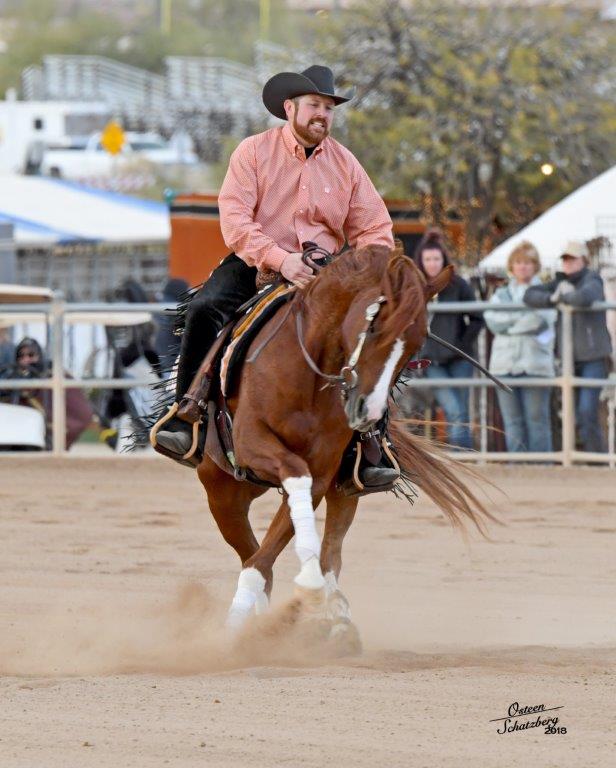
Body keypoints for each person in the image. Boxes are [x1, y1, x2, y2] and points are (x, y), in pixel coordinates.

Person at [154, 65, 398, 490]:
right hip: (257, 263)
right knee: (206, 307)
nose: (323, 114)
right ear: (290, 108)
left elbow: (375, 229)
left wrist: (362, 269)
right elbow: (234, 220)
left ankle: (372, 441)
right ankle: (186, 413)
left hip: (328, 271)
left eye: (328, 107)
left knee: (371, 332)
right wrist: (281, 260)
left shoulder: (347, 165)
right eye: (314, 106)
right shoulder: (252, 152)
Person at [524, 240, 612, 453]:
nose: (568, 263)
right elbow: (530, 295)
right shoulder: (559, 281)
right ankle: (576, 457)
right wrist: (552, 298)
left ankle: (596, 460)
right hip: (568, 358)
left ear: (584, 260)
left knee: (587, 410)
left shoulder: (593, 279)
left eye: (573, 259)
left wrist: (561, 297)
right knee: (571, 412)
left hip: (593, 357)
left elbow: (585, 297)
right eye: (565, 259)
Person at [413, 229, 483, 449]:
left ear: (443, 259)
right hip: (432, 361)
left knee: (461, 409)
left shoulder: (458, 285)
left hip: (459, 358)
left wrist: (461, 344)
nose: (432, 263)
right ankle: (461, 456)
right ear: (421, 261)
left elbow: (477, 318)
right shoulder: (414, 287)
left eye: (436, 259)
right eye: (428, 259)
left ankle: (463, 454)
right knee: (454, 409)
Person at [484, 242, 556, 453]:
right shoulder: (501, 294)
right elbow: (492, 321)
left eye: (527, 262)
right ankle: (517, 469)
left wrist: (510, 324)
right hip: (504, 366)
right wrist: (523, 320)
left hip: (536, 365)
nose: (523, 267)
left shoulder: (544, 292)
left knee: (538, 421)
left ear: (535, 266)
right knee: (512, 423)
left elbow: (543, 321)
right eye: (518, 262)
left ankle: (542, 470)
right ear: (512, 266)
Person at [0, 337, 95, 450]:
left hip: (45, 437)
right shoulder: (11, 379)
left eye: (31, 355)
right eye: (21, 356)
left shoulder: (54, 376)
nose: (26, 360)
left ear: (40, 356)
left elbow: (81, 413)